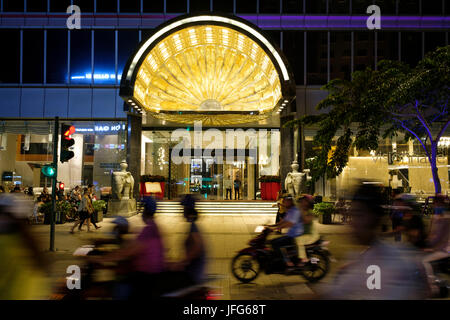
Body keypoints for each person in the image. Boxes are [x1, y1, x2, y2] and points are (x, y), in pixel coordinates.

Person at [321, 183, 427, 299]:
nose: (352, 223)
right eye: (352, 215)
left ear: (374, 217)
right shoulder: (363, 260)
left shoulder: (397, 264)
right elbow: (332, 293)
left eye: (358, 215)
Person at [92, 196, 166, 298]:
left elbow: (127, 252)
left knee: (121, 287)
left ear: (145, 211)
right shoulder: (153, 227)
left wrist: (101, 259)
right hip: (149, 275)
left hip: (146, 277)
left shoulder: (148, 230)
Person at [174, 194, 206, 285]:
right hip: (193, 271)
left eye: (183, 208)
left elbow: (197, 247)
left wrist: (182, 262)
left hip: (193, 274)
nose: (182, 211)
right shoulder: (193, 225)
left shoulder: (193, 227)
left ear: (187, 209)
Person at [422, 194, 450, 296]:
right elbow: (431, 234)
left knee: (424, 261)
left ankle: (432, 286)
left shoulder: (446, 218)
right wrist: (426, 243)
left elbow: (443, 238)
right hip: (437, 247)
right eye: (435, 204)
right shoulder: (435, 217)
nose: (435, 206)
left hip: (445, 249)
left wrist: (432, 248)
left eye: (437, 204)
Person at [267, 195, 303, 269]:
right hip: (290, 234)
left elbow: (289, 223)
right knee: (272, 242)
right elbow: (283, 221)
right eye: (283, 201)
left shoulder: (294, 211)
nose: (283, 203)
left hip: (295, 236)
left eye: (285, 201)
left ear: (290, 202)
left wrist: (276, 228)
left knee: (275, 243)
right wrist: (271, 226)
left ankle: (286, 261)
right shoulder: (290, 210)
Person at [295, 194, 320, 265]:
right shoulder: (303, 211)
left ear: (308, 203)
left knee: (299, 240)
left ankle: (304, 259)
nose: (303, 203)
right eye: (302, 202)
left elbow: (306, 221)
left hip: (311, 234)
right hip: (304, 232)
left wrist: (301, 210)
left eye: (305, 202)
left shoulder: (310, 212)